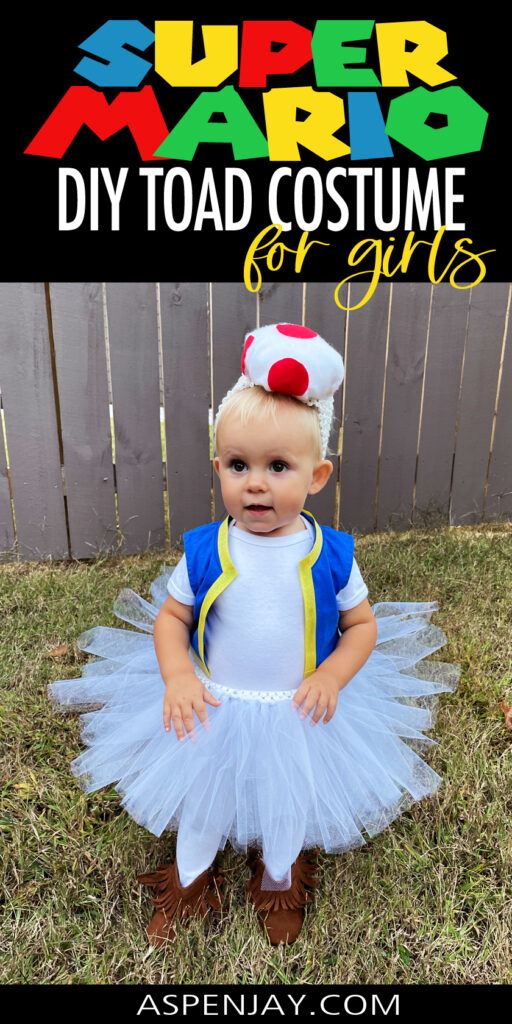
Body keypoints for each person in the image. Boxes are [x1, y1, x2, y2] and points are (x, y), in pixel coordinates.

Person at [49, 323, 459, 948]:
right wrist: (180, 674)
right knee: (203, 806)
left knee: (287, 805)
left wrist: (331, 675)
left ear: (317, 475)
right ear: (218, 467)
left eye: (278, 466)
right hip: (214, 703)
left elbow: (362, 627)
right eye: (238, 465)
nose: (256, 483)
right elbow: (172, 618)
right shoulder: (207, 548)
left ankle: (279, 883)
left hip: (300, 709)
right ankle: (187, 884)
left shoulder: (331, 555)